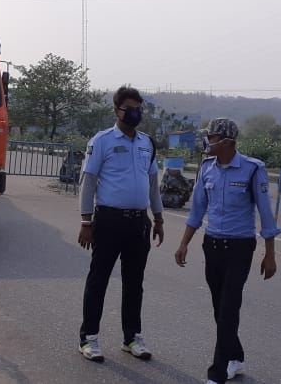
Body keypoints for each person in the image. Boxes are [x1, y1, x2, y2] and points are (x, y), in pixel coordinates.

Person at [174, 118, 279, 384]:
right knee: (218, 308)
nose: (207, 142)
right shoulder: (207, 169)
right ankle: (236, 358)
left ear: (227, 141)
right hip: (213, 246)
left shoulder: (253, 170)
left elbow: (266, 215)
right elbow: (197, 210)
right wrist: (184, 242)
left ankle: (217, 374)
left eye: (211, 137)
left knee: (229, 308)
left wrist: (270, 254)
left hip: (240, 248)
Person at [77, 86, 165, 363]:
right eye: (130, 108)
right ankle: (89, 339)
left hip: (138, 223)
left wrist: (159, 218)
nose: (135, 113)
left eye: (139, 108)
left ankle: (131, 337)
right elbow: (88, 181)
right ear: (117, 110)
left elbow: (152, 184)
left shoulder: (147, 143)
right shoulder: (102, 140)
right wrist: (86, 220)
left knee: (134, 283)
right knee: (99, 280)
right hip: (108, 221)